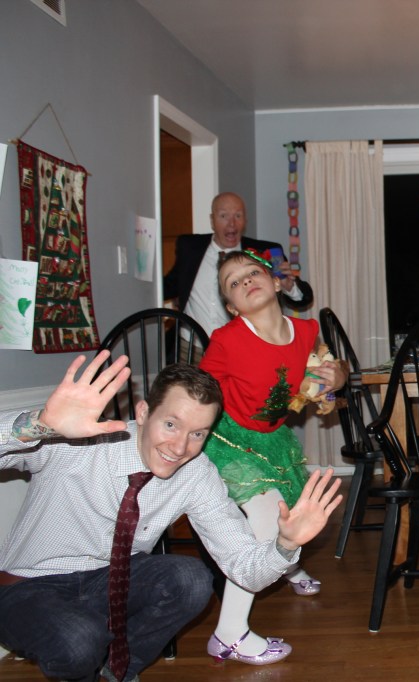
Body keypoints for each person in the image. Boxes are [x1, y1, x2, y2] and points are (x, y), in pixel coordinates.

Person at [0, 352, 341, 682]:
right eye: (170, 425)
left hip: (111, 582)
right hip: (29, 587)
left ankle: (118, 671)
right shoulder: (78, 443)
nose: (180, 448)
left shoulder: (196, 474)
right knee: (80, 640)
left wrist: (285, 544)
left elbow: (244, 569)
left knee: (191, 580)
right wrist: (39, 425)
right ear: (143, 412)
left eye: (197, 434)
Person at [198, 249, 347, 665]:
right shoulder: (227, 339)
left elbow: (328, 364)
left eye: (253, 272)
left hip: (271, 437)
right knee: (268, 520)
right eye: (234, 282)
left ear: (277, 282)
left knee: (294, 507)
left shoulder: (305, 330)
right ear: (232, 307)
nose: (246, 280)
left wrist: (338, 375)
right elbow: (198, 390)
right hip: (227, 437)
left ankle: (287, 567)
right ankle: (229, 632)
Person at [163, 192, 313, 336]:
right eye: (224, 216)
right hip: (190, 347)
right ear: (212, 220)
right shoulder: (189, 247)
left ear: (245, 220)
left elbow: (303, 300)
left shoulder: (264, 251)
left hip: (240, 347)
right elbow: (169, 286)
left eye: (238, 215)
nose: (232, 223)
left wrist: (288, 286)